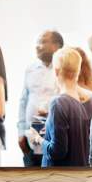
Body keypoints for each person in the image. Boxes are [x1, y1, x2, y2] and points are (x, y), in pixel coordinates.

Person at [27, 47, 92, 167]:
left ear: (56, 71)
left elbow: (57, 152)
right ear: (78, 71)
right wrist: (50, 125)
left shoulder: (57, 103)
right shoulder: (87, 102)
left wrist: (37, 138)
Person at [17, 30, 63, 167]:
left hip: (54, 139)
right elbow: (23, 101)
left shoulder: (64, 70)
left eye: (42, 42)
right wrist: (21, 132)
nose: (37, 46)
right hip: (30, 139)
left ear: (56, 45)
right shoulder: (30, 69)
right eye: (37, 42)